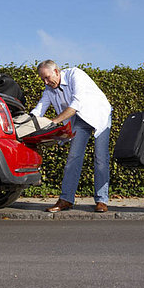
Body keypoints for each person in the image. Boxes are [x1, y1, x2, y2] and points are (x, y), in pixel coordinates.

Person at [31, 60, 112, 213]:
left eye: (47, 77)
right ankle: (66, 199)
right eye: (43, 79)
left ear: (56, 71)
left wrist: (54, 121)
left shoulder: (75, 74)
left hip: (99, 114)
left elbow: (76, 104)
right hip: (80, 119)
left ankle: (102, 200)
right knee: (73, 157)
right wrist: (27, 122)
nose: (46, 82)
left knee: (101, 158)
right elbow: (39, 109)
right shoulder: (49, 88)